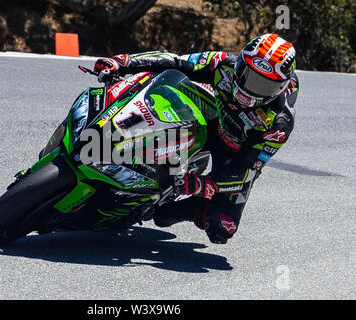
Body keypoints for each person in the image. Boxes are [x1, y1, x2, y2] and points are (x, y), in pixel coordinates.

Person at [93, 33, 299, 244]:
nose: (249, 88)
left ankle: (182, 205)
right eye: (247, 74)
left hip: (235, 149)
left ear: (280, 88)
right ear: (239, 63)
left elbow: (245, 169)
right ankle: (125, 141)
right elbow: (174, 60)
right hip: (210, 114)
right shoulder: (223, 63)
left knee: (222, 227)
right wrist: (123, 62)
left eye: (263, 85)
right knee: (162, 89)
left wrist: (205, 184)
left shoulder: (278, 124)